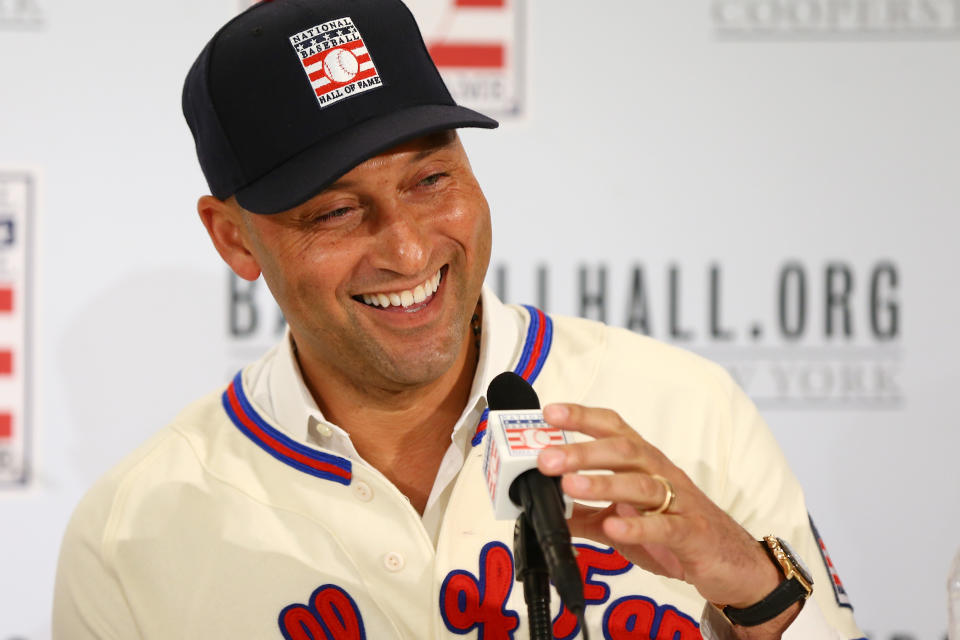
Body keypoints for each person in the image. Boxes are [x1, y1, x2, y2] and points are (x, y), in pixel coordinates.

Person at [52, 1, 865, 638]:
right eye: (336, 212)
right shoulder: (134, 529)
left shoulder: (686, 409)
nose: (407, 251)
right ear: (235, 238)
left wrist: (752, 589)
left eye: (431, 178)